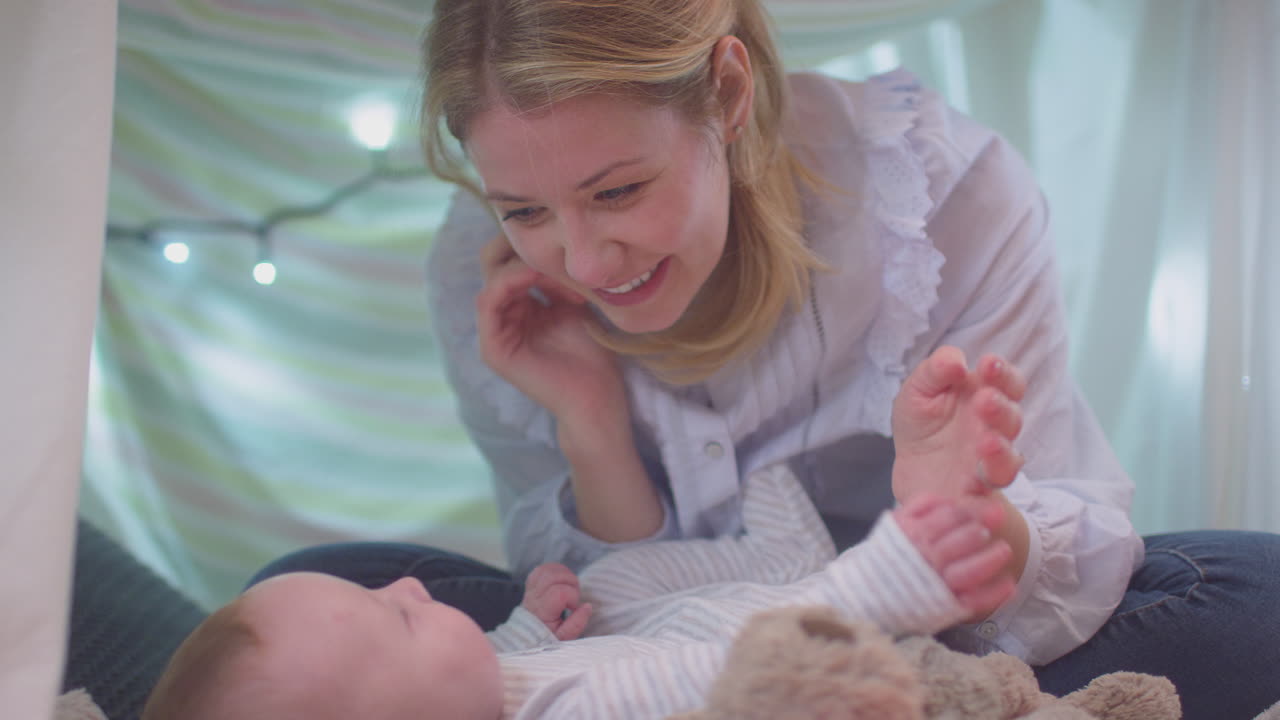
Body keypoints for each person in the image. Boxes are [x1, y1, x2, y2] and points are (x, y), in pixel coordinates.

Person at [251, 1, 1280, 718]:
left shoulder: (940, 196)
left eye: (616, 191)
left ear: (728, 94)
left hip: (935, 618)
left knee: (1251, 592)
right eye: (522, 209)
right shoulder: (482, 278)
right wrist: (590, 427)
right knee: (319, 591)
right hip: (686, 632)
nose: (580, 257)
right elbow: (610, 613)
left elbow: (1064, 541)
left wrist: (955, 526)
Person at [142, 466, 1012, 720]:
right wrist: (877, 588)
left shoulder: (468, 688)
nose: (406, 583)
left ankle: (780, 555)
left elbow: (483, 673)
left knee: (610, 583)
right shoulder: (585, 708)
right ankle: (843, 578)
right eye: (400, 618)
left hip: (649, 630)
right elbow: (727, 675)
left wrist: (524, 627)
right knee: (739, 629)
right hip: (752, 651)